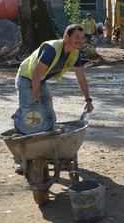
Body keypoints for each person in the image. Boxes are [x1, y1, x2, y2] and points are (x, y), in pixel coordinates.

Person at [12, 24, 95, 173]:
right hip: (26, 79)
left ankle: (49, 154)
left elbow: (81, 77)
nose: (80, 41)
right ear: (66, 37)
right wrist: (36, 103)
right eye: (77, 37)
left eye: (82, 38)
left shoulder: (75, 54)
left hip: (40, 81)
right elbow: (35, 75)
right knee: (27, 119)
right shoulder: (51, 50)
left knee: (49, 116)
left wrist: (88, 99)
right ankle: (19, 159)